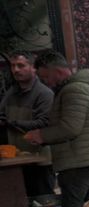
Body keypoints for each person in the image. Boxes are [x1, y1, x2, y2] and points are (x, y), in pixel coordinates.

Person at [24, 50, 89, 207]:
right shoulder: (74, 88)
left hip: (78, 160)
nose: (45, 83)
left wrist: (41, 135)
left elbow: (70, 128)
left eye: (45, 78)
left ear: (57, 72)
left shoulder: (74, 90)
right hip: (81, 158)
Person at [0, 50, 55, 197]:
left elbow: (44, 123)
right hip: (16, 160)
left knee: (42, 202)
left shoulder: (44, 93)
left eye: (21, 65)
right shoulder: (11, 93)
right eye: (12, 66)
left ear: (33, 68)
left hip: (39, 160)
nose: (16, 70)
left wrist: (12, 122)